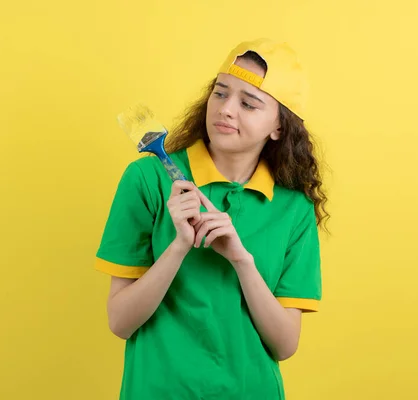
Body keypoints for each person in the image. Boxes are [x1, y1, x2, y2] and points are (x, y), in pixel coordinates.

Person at [95, 38, 329, 400]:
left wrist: (241, 260)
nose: (226, 110)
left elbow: (284, 344)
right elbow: (120, 322)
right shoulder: (148, 179)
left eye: (248, 103)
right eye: (220, 94)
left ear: (279, 127)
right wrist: (178, 247)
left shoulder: (293, 209)